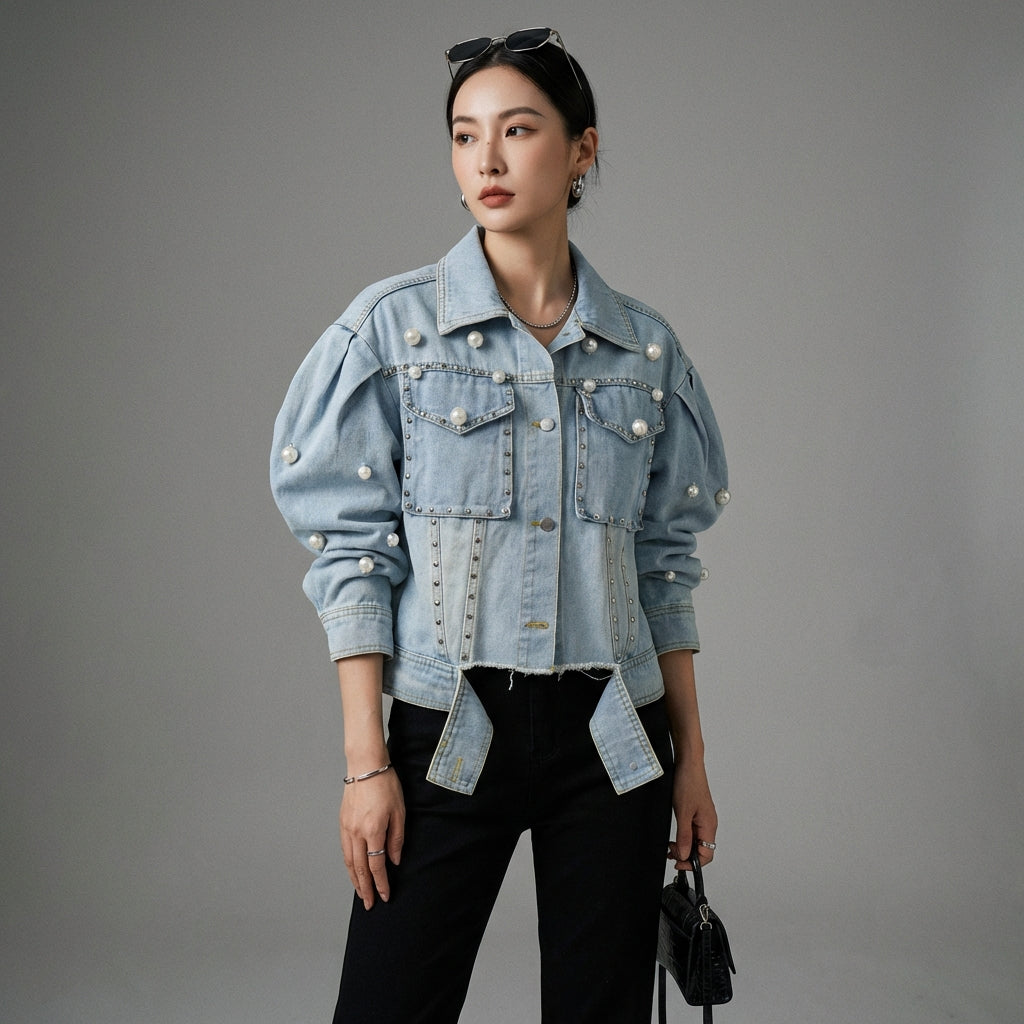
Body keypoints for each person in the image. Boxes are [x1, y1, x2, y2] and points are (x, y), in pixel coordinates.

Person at [270, 27, 730, 1024]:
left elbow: (663, 568)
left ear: (581, 150)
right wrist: (365, 765)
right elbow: (353, 556)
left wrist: (691, 759)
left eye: (517, 130)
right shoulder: (393, 332)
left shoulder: (645, 352)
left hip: (614, 740)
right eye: (464, 134)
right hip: (446, 730)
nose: (486, 158)